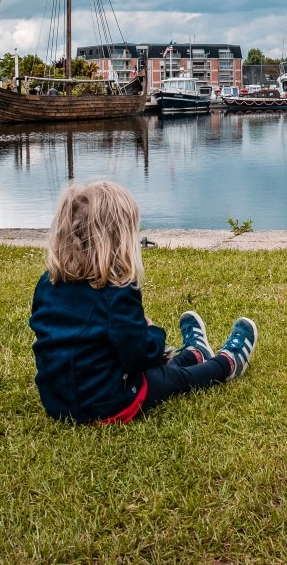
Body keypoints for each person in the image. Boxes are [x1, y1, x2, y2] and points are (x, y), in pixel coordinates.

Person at [30, 180, 257, 424]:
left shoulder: (47, 283)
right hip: (107, 403)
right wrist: (151, 331)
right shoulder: (117, 293)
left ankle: (194, 354)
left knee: (155, 374)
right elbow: (139, 358)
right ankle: (228, 363)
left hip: (57, 403)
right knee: (170, 380)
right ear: (119, 240)